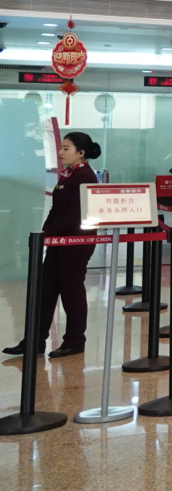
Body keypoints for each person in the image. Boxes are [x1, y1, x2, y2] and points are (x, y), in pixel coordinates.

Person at [3, 132, 102, 359]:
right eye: (60, 148)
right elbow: (56, 210)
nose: (60, 152)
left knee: (71, 291)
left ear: (81, 153)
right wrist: (44, 233)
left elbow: (74, 214)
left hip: (76, 242)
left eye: (66, 149)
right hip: (59, 241)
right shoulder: (69, 174)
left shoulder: (84, 176)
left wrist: (49, 235)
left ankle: (75, 341)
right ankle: (35, 340)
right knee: (46, 290)